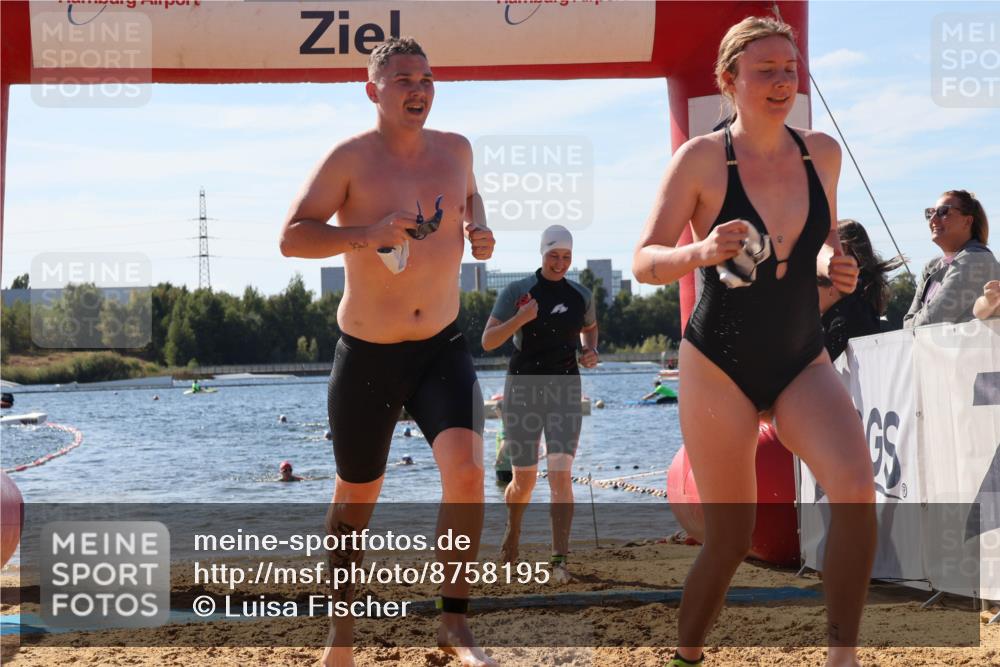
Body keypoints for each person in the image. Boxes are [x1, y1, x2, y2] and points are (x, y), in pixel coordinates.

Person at [632, 16, 875, 667]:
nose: (781, 82)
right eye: (765, 70)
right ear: (728, 80)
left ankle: (842, 654)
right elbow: (643, 260)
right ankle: (687, 653)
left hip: (800, 354)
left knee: (855, 484)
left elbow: (820, 243)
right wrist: (701, 251)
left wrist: (833, 266)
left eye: (789, 70)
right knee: (731, 537)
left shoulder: (819, 151)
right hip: (720, 364)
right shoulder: (703, 159)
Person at [279, 37, 496, 667]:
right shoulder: (349, 159)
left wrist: (478, 228)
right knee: (354, 500)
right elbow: (292, 238)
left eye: (426, 77)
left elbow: (471, 195)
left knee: (468, 475)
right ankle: (339, 638)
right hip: (368, 354)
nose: (418, 88)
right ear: (373, 90)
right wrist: (366, 233)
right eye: (403, 79)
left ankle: (454, 625)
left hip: (442, 348)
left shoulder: (456, 149)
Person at [481, 224, 599, 585]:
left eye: (566, 257)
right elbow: (487, 341)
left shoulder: (580, 294)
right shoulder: (518, 292)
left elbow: (589, 327)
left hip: (565, 389)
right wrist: (520, 319)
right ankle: (513, 529)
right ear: (542, 253)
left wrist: (590, 349)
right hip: (523, 389)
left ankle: (559, 559)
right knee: (525, 480)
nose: (560, 263)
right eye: (554, 256)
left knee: (561, 476)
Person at [904, 190, 999, 328]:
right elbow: (908, 324)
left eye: (943, 212)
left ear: (967, 221)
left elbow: (931, 322)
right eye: (930, 213)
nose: (933, 219)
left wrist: (911, 325)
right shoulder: (932, 266)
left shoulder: (975, 260)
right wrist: (911, 325)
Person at [820, 219, 905, 360]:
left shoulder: (850, 305)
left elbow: (823, 357)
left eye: (826, 246)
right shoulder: (863, 297)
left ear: (844, 248)